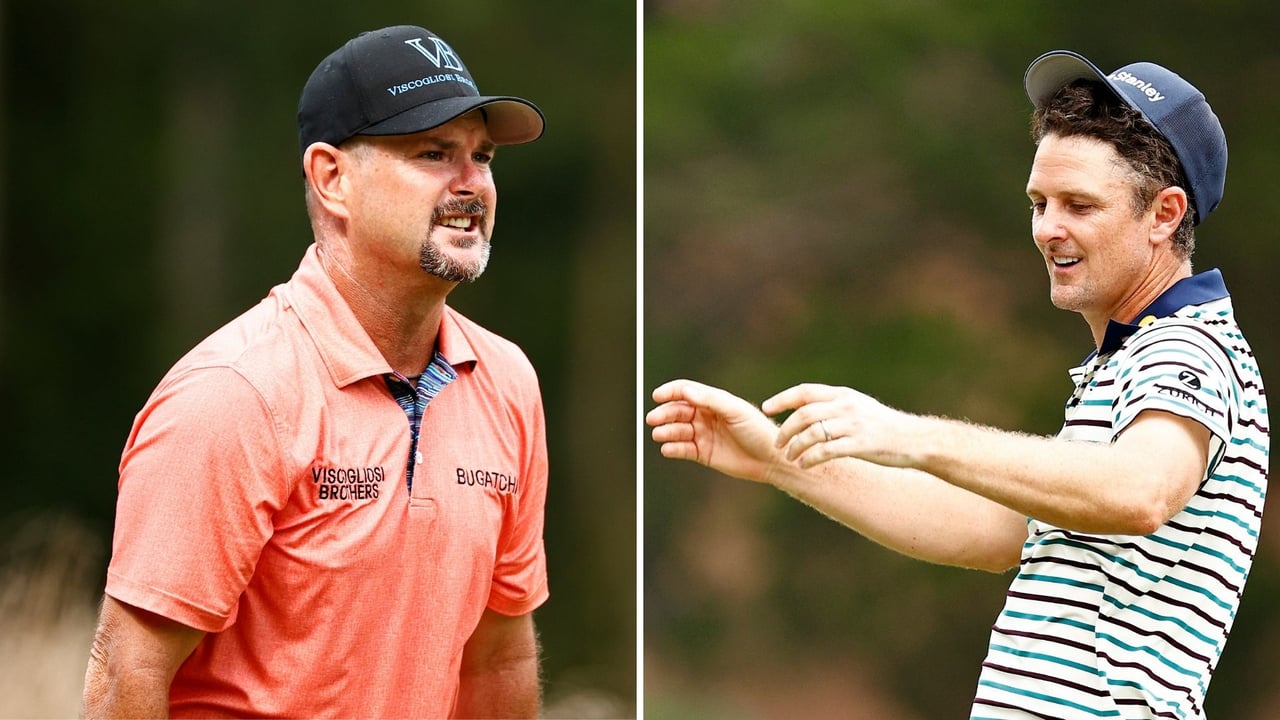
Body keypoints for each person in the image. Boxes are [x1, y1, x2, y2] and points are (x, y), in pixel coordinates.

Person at [647, 50, 1267, 719]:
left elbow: (1139, 490)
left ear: (1164, 214)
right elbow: (998, 532)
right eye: (1039, 202)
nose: (1046, 228)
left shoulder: (1190, 347)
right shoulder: (1125, 364)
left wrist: (909, 435)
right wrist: (782, 460)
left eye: (1080, 205)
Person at [82, 25, 550, 719]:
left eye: (481, 157)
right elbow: (127, 676)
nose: (470, 184)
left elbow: (499, 657)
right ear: (332, 178)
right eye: (433, 152)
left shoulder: (506, 383)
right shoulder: (233, 393)